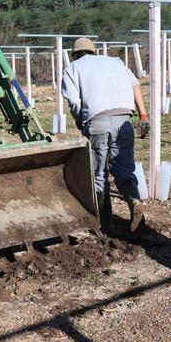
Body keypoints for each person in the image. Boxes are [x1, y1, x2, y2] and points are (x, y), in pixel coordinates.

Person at [61, 37, 149, 234]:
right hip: (125, 120)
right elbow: (135, 85)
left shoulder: (73, 68)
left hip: (97, 122)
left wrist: (79, 119)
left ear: (74, 54)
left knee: (99, 175)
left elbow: (74, 101)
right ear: (94, 51)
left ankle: (107, 226)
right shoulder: (115, 62)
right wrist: (143, 115)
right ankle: (134, 202)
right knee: (125, 170)